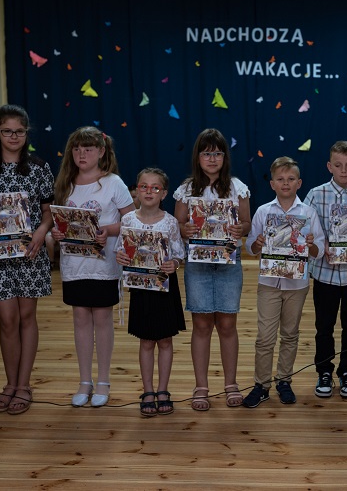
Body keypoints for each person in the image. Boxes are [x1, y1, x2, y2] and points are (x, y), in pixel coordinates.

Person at [0, 104, 55, 414]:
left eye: (19, 131)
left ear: (26, 133)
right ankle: (9, 383)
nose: (13, 136)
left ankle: (24, 385)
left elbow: (48, 212)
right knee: (7, 320)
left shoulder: (39, 168)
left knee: (27, 317)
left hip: (30, 253)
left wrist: (41, 232)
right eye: (7, 131)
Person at [51, 127, 135, 407]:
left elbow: (131, 221)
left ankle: (103, 380)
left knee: (102, 318)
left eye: (88, 149)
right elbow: (59, 221)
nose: (81, 154)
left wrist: (108, 230)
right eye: (76, 149)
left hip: (103, 265)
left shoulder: (113, 182)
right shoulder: (65, 182)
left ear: (101, 151)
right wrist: (56, 232)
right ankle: (84, 380)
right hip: (74, 264)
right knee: (80, 319)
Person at [173, 128, 251, 411]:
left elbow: (247, 224)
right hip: (198, 264)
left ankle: (231, 383)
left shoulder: (237, 187)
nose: (212, 158)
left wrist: (240, 228)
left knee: (228, 324)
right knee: (202, 324)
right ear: (198, 157)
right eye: (206, 153)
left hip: (229, 263)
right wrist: (185, 229)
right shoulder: (186, 189)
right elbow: (177, 225)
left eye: (218, 153)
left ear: (225, 157)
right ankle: (201, 386)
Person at [242, 157, 325, 408]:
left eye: (290, 179)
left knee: (290, 334)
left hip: (297, 285)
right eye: (280, 179)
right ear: (272, 184)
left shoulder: (308, 213)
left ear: (299, 183)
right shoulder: (263, 211)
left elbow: (320, 250)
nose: (285, 183)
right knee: (265, 338)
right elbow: (250, 246)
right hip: (269, 283)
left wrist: (310, 245)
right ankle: (261, 384)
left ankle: (284, 381)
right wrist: (257, 243)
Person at [303, 140, 347, 399]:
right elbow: (306, 230)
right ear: (329, 166)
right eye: (338, 165)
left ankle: (346, 371)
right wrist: (321, 244)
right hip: (326, 274)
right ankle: (324, 371)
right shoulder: (315, 194)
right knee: (324, 326)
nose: (343, 170)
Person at [117, 168, 185, 416]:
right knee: (146, 341)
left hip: (164, 288)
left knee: (165, 340)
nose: (149, 191)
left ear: (163, 193)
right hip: (140, 288)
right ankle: (147, 390)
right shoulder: (128, 220)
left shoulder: (170, 222)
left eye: (155, 188)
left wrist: (174, 264)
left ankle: (163, 390)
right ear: (136, 191)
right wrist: (121, 257)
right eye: (143, 187)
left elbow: (179, 254)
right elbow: (121, 250)